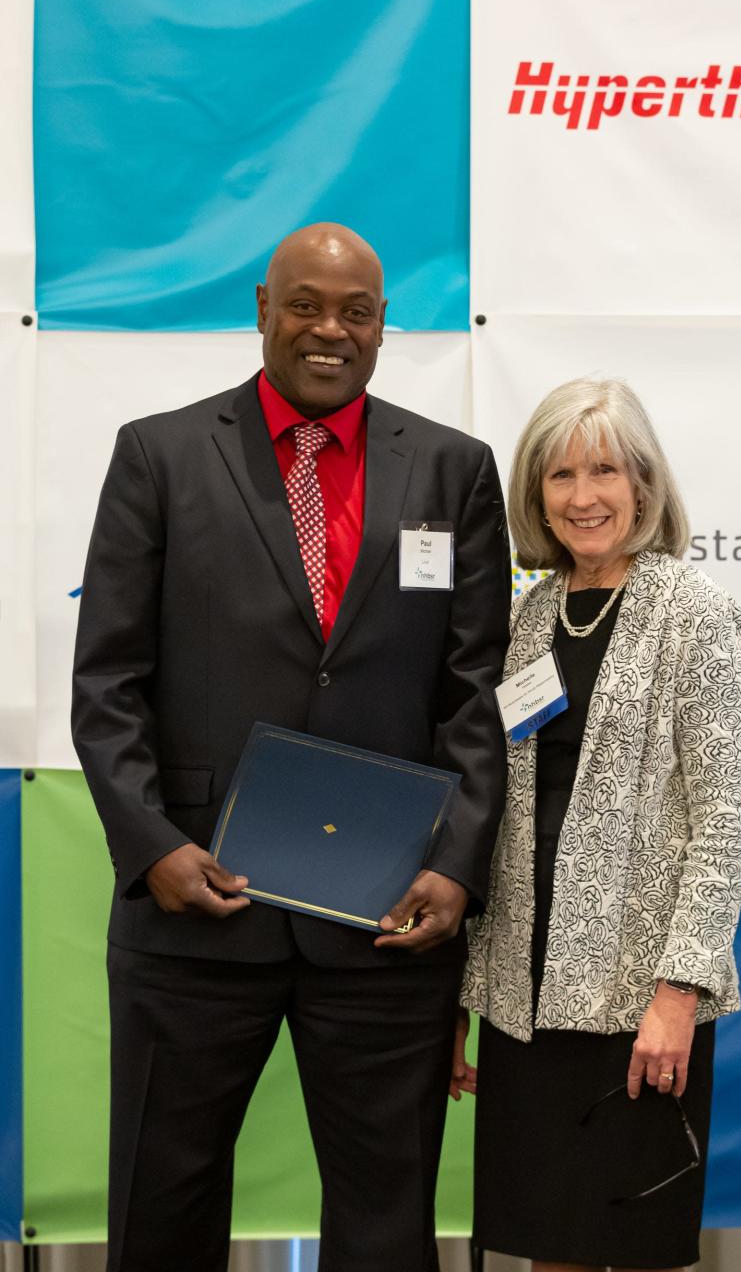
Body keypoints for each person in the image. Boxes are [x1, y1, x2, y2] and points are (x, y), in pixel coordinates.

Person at [72, 223, 511, 1272]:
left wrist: (454, 866)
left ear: (383, 325)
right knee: (161, 1208)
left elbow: (477, 693)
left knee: (385, 1224)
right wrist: (152, 846)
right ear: (264, 308)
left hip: (385, 925)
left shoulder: (453, 472)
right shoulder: (160, 454)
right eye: (307, 305)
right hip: (196, 909)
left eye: (356, 311)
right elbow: (108, 680)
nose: (331, 330)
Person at [455, 377, 741, 1272]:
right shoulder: (531, 617)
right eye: (559, 476)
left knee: (635, 1245)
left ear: (644, 484)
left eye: (605, 470)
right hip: (529, 1004)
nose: (583, 496)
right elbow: (504, 819)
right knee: (551, 1249)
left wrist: (678, 994)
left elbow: (723, 820)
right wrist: (475, 996)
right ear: (533, 495)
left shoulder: (694, 614)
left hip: (637, 1005)